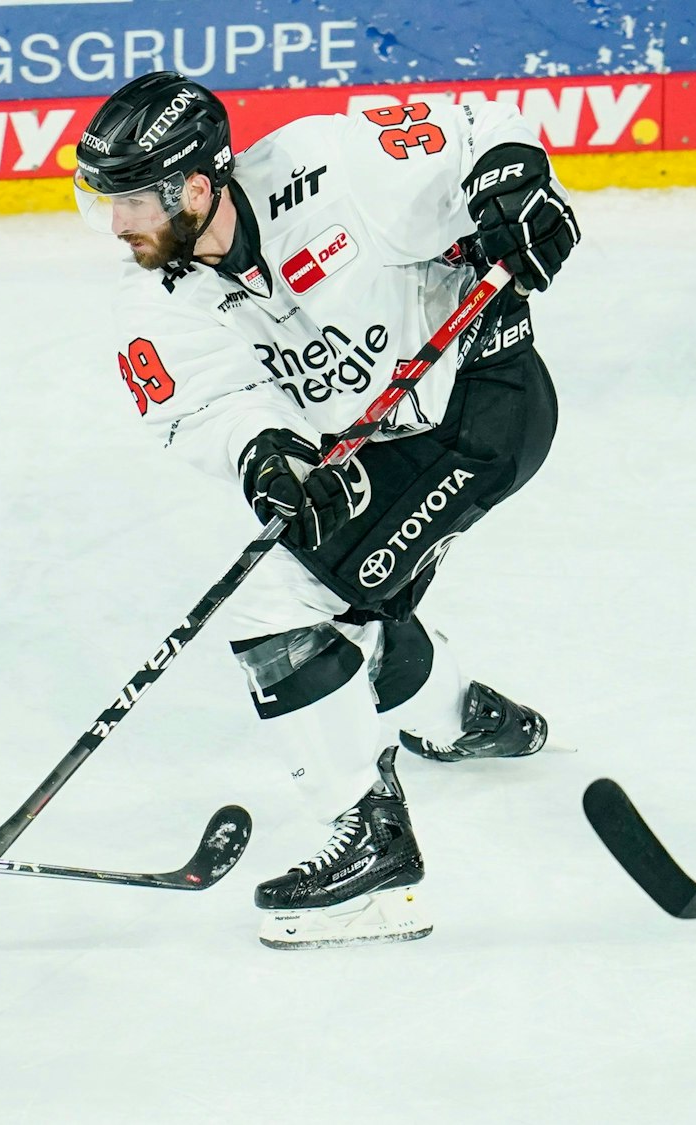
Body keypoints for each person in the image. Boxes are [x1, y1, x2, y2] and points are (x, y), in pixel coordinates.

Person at [70, 73, 579, 948]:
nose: (117, 225)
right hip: (377, 446)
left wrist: (517, 187)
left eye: (132, 202)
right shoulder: (152, 297)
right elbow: (204, 406)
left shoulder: (330, 163)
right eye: (104, 203)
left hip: (482, 403)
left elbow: (478, 127)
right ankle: (463, 717)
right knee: (344, 603)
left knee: (278, 606)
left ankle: (374, 858)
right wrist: (269, 457)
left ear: (196, 187)